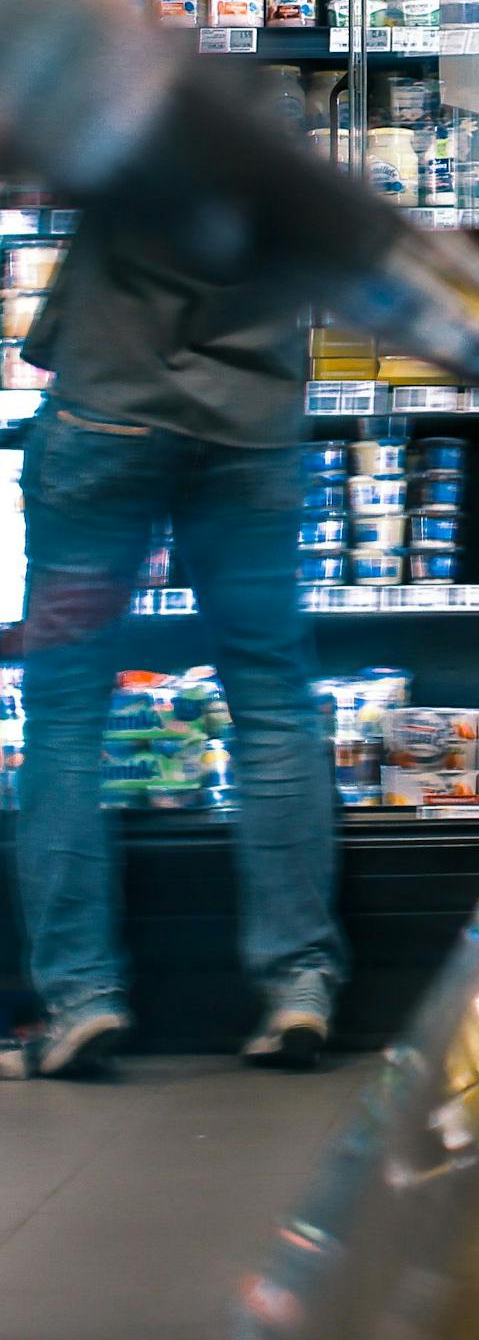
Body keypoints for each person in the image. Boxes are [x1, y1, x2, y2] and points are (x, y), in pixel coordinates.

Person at [11, 215, 345, 1077]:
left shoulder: (109, 115)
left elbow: (64, 310)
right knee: (272, 698)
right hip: (251, 432)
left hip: (107, 422)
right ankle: (298, 985)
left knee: (64, 711)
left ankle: (80, 1001)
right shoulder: (262, 146)